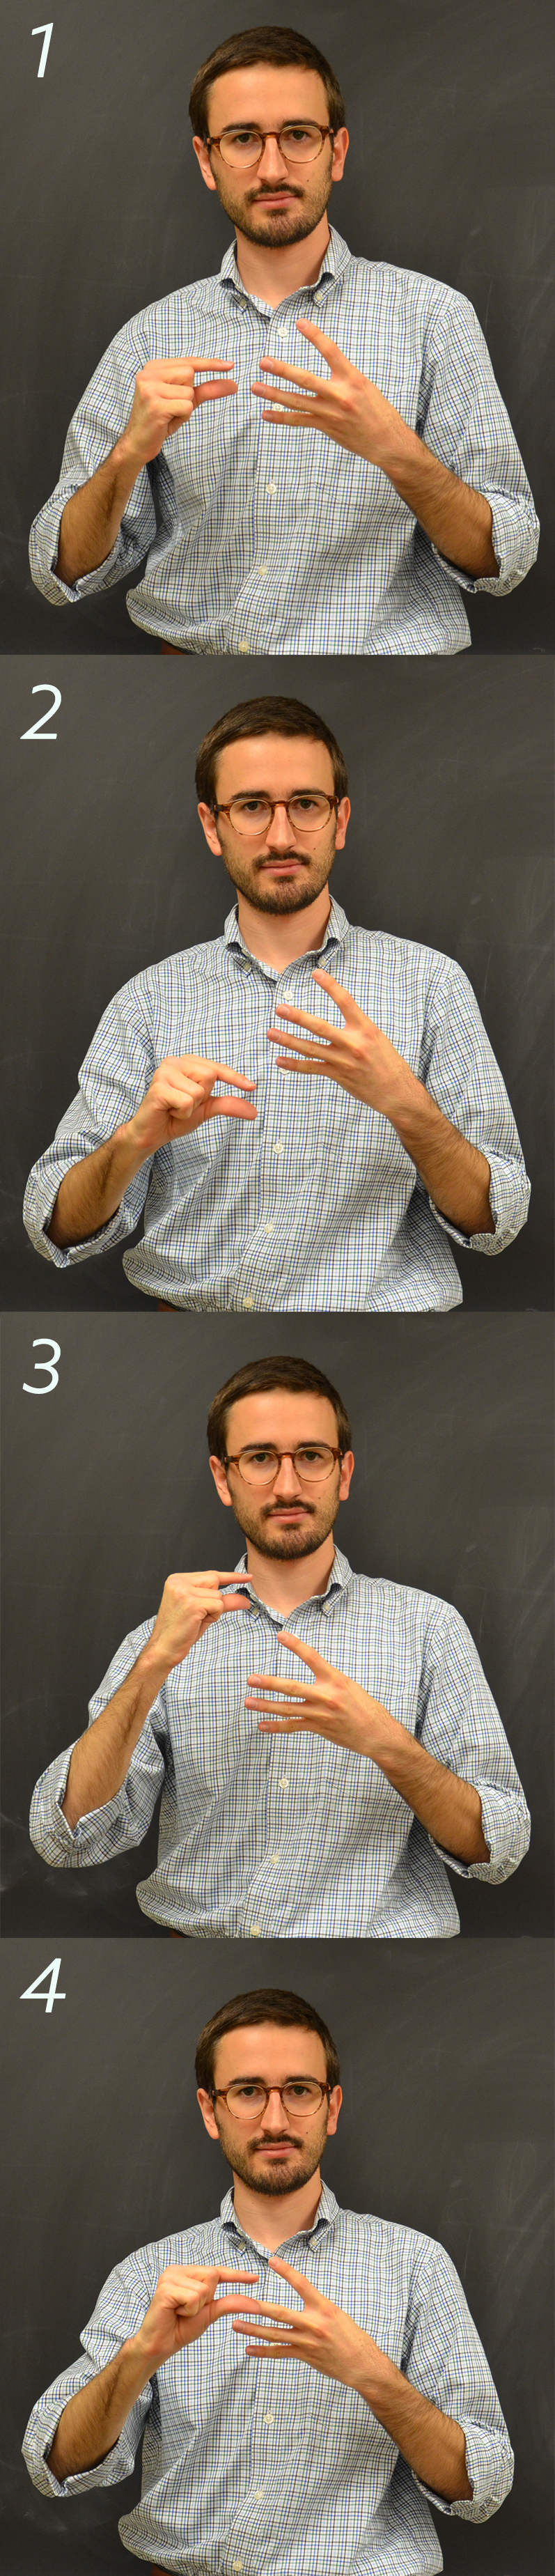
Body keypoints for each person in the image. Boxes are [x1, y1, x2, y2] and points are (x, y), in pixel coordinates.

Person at [28, 26, 538, 656]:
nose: (272, 169)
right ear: (206, 160)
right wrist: (127, 456)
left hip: (392, 691)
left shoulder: (434, 319)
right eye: (242, 139)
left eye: (298, 135)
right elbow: (61, 574)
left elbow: (505, 559)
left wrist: (398, 453)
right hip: (187, 686)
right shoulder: (149, 338)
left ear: (337, 151)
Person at [22, 694, 530, 1315]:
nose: (281, 837)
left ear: (340, 820)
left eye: (306, 805)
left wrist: (409, 1109)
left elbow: (496, 1221)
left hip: (382, 1340)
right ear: (213, 827)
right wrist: (134, 1140)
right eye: (253, 808)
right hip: (190, 1338)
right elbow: (54, 1226)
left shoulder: (430, 985)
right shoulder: (149, 1001)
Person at [29, 1355, 530, 1937]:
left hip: (379, 1968)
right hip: (199, 1962)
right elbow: (65, 1838)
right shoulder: (157, 1641)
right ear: (223, 1478)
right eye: (260, 1458)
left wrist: (390, 1747)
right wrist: (152, 1667)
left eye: (311, 1457)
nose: (287, 1486)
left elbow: (500, 1849)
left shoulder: (427, 1627)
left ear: (343, 1473)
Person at [22, 1985, 515, 2572]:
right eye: (249, 2092)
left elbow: (482, 2487)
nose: (275, 2120)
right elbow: (55, 2465)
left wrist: (377, 2379)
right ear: (211, 2111)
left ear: (331, 2108)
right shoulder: (148, 2277)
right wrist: (140, 2356)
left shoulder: (414, 2266)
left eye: (299, 2091)